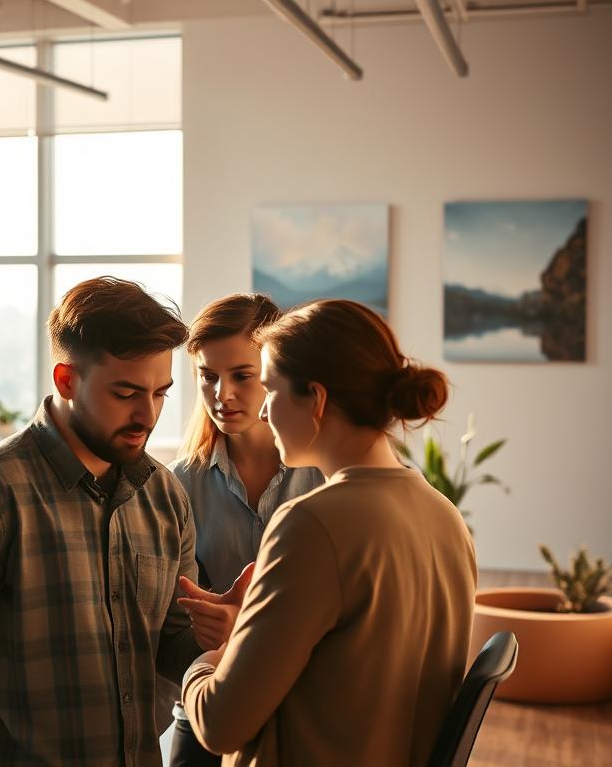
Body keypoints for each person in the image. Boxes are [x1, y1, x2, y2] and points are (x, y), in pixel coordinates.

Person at [0, 277, 213, 766]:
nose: (146, 414)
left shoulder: (164, 494)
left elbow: (171, 642)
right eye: (126, 393)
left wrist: (218, 631)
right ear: (67, 380)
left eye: (160, 394)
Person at [181, 299, 477, 766]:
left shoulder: (311, 525)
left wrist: (207, 663)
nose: (262, 414)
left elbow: (220, 724)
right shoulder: (445, 517)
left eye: (269, 389)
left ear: (315, 400)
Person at [165, 294, 325, 767]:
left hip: (303, 704)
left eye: (242, 376)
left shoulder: (324, 474)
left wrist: (247, 629)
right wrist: (202, 624)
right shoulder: (180, 483)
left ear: (274, 372)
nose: (223, 394)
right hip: (209, 699)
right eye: (207, 377)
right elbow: (169, 618)